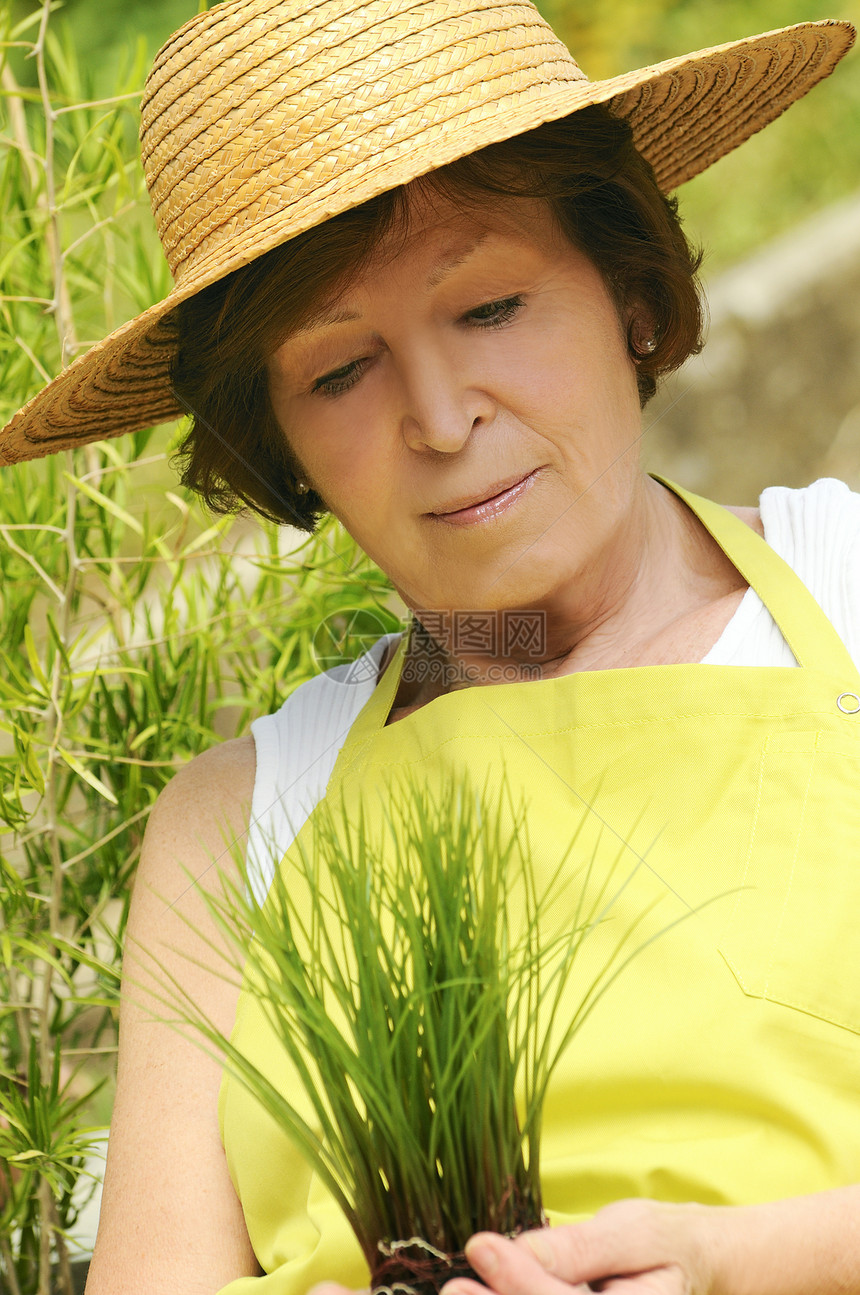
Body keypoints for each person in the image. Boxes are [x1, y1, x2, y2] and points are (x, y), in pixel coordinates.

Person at [2, 2, 859, 1293]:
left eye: (493, 307)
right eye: (340, 373)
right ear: (277, 441)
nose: (444, 419)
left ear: (631, 290)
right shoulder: (235, 822)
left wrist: (736, 1259)